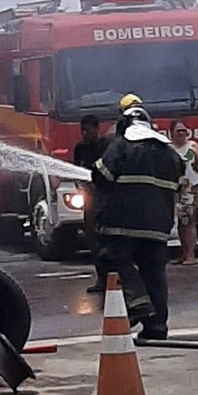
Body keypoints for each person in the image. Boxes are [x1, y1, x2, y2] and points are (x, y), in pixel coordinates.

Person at [92, 106, 184, 340]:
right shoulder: (170, 153)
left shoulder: (121, 145)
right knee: (154, 273)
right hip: (158, 226)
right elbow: (180, 181)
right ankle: (157, 327)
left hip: (122, 222)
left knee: (110, 258)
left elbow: (102, 177)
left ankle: (138, 301)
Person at [170, 120, 198, 265]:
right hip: (176, 190)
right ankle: (184, 253)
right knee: (181, 222)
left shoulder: (192, 146)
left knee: (190, 222)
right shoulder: (168, 149)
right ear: (172, 133)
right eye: (178, 131)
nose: (181, 133)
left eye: (184, 130)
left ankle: (191, 254)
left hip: (192, 188)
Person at [74, 115, 111, 292]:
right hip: (90, 202)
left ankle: (114, 277)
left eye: (88, 130)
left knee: (107, 240)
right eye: (82, 130)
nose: (84, 134)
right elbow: (76, 171)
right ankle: (101, 278)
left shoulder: (106, 147)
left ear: (98, 128)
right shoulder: (80, 149)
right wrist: (82, 186)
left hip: (106, 201)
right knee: (92, 240)